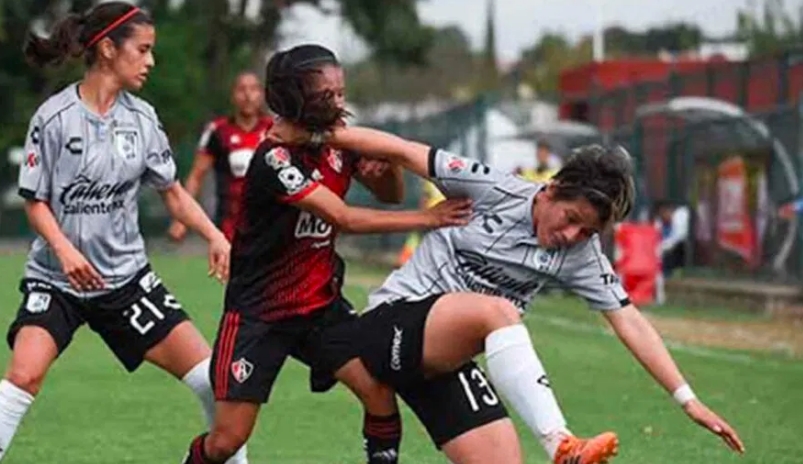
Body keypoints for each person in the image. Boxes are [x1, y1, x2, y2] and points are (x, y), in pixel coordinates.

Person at [267, 122, 747, 464]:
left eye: (588, 233)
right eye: (571, 219)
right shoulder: (492, 188)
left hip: (444, 359)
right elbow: (401, 148)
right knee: (498, 313)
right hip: (389, 326)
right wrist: (309, 135)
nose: (572, 237)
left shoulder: (581, 257)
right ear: (552, 190)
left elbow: (630, 321)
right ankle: (562, 444)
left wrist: (688, 400)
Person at [181, 44, 473, 464]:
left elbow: (389, 194)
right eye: (325, 96)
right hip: (260, 312)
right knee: (226, 441)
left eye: (340, 92)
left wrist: (385, 169)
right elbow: (343, 217)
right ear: (293, 97)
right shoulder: (274, 157)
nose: (338, 103)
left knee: (378, 392)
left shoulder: (338, 137)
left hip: (320, 306)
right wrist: (428, 218)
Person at [1, 3, 249, 462]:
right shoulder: (54, 118)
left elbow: (172, 194)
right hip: (58, 281)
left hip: (127, 282)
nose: (151, 61)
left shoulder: (143, 119)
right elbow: (35, 201)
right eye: (144, 49)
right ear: (109, 49)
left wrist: (215, 236)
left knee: (215, 383)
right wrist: (65, 252)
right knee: (23, 377)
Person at [167, 71, 274, 242]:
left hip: (268, 225)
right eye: (242, 89)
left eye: (253, 89)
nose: (248, 96)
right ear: (233, 95)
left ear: (261, 95)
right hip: (229, 227)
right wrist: (181, 219)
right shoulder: (218, 131)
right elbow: (196, 176)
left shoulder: (274, 130)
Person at [653, 200, 690, 276]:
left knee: (679, 247)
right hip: (664, 249)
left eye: (665, 212)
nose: (664, 215)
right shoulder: (659, 222)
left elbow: (678, 238)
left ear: (670, 210)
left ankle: (678, 270)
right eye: (661, 213)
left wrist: (663, 247)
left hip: (678, 247)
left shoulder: (680, 217)